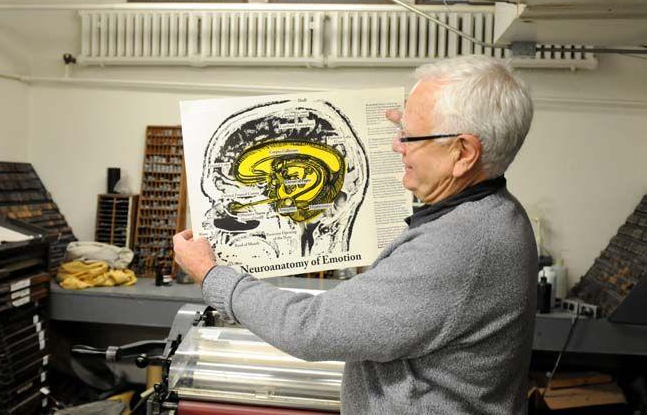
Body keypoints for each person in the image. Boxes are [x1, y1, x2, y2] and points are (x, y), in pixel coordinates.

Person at [173, 55, 537, 415]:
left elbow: (310, 329)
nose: (397, 145)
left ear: (464, 152)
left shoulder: (459, 245)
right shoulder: (498, 212)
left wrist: (212, 275)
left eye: (410, 135)